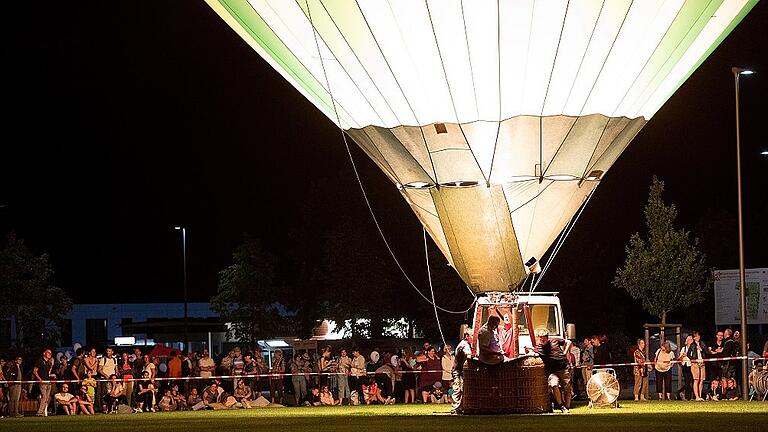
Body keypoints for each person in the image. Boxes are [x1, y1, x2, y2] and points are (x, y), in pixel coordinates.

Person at [530, 328, 571, 413]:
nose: (542, 339)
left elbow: (568, 342)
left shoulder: (555, 340)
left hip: (564, 368)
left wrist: (565, 352)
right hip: (552, 371)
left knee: (567, 388)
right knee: (553, 385)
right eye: (540, 337)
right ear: (538, 337)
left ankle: (567, 407)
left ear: (547, 337)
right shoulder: (538, 348)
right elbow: (531, 353)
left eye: (544, 337)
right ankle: (561, 406)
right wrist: (528, 349)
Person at [33, 348, 56, 416]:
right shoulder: (40, 361)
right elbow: (35, 371)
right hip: (43, 382)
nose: (50, 354)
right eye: (48, 353)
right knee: (44, 396)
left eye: (50, 353)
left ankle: (43, 411)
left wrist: (52, 375)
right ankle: (39, 412)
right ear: (44, 353)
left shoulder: (48, 363)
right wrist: (40, 379)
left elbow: (48, 373)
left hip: (48, 382)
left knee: (47, 398)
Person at [688, 331, 707, 401]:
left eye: (698, 336)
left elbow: (706, 352)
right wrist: (693, 360)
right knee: (696, 380)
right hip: (695, 364)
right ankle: (697, 396)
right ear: (694, 338)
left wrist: (701, 350)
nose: (698, 337)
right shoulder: (692, 345)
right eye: (696, 336)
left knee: (702, 380)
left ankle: (700, 395)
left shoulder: (702, 343)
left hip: (702, 363)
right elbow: (688, 354)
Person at [677, 335, 694, 401]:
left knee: (692, 381)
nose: (691, 341)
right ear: (686, 341)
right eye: (689, 339)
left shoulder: (693, 348)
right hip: (685, 366)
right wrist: (682, 356)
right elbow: (679, 359)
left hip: (691, 366)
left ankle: (691, 395)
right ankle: (687, 397)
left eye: (691, 339)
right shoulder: (683, 349)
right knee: (687, 381)